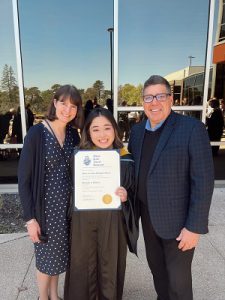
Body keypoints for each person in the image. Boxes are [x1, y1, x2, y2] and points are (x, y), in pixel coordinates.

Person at [128, 75, 214, 300]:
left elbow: (203, 181)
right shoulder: (137, 132)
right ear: (143, 101)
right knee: (158, 273)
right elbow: (132, 171)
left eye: (160, 96)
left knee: (178, 282)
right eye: (148, 97)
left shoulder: (192, 129)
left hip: (179, 223)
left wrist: (194, 227)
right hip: (147, 218)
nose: (154, 102)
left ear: (171, 99)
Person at [64, 107, 138, 300]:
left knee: (109, 267)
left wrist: (126, 196)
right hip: (83, 221)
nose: (102, 135)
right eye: (95, 129)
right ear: (87, 131)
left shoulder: (125, 157)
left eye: (107, 128)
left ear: (115, 129)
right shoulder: (78, 156)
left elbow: (134, 192)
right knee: (82, 268)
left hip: (113, 222)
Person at [18, 85, 83, 300]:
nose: (68, 109)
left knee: (58, 258)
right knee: (47, 260)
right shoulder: (37, 134)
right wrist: (30, 219)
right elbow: (24, 180)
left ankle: (55, 295)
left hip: (68, 210)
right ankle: (43, 297)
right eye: (63, 103)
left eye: (73, 106)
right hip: (46, 211)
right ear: (54, 102)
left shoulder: (73, 134)